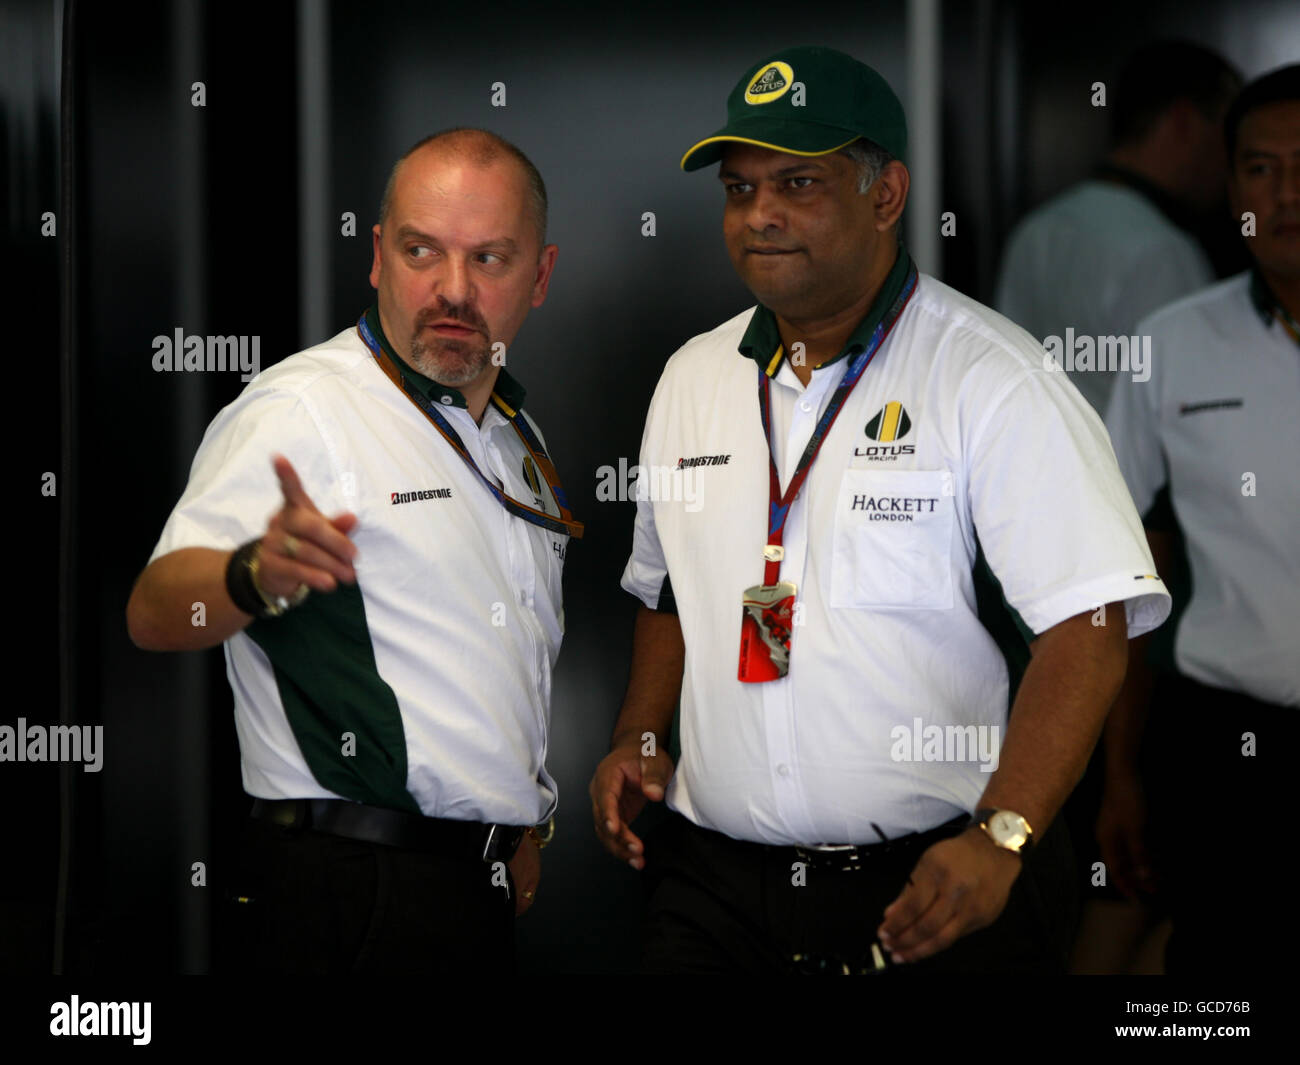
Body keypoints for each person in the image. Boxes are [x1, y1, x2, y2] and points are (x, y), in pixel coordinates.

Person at [591, 45, 1171, 974]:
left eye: (798, 182)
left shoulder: (993, 378)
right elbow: (665, 592)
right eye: (740, 191)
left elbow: (1091, 624)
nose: (761, 215)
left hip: (930, 883)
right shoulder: (692, 380)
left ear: (887, 195)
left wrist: (1003, 836)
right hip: (713, 885)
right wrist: (639, 733)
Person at [126, 128, 580, 974]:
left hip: (465, 884)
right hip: (346, 891)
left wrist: (511, 827)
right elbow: (155, 610)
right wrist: (251, 573)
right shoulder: (306, 406)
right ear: (377, 256)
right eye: (422, 251)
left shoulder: (517, 436)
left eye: (490, 259)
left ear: (541, 276)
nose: (453, 289)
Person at [1101, 64, 1300, 976]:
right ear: (1230, 192)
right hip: (1229, 751)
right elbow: (1123, 573)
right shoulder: (1170, 345)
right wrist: (1119, 769)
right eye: (1260, 169)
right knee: (1218, 982)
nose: (1286, 193)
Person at [995, 40, 1242, 417]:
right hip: (1124, 473)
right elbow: (1193, 412)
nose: (1232, 159)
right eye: (1227, 133)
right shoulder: (1164, 251)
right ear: (1183, 121)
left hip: (1029, 467)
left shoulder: (1035, 232)